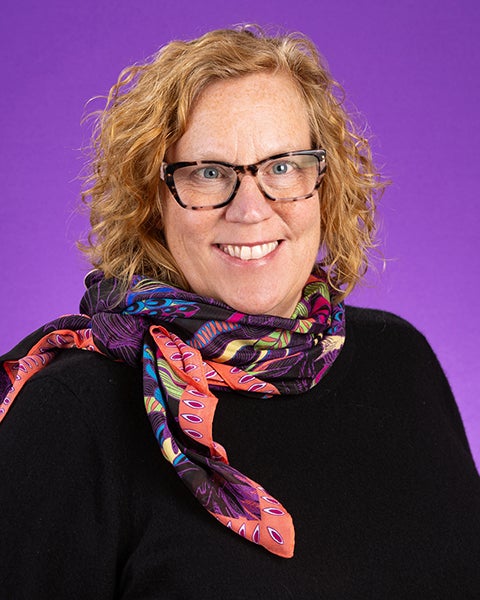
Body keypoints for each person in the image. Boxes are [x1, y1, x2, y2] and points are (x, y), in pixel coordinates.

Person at [1, 25, 479, 599]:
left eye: (282, 166)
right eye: (208, 173)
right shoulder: (71, 413)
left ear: (324, 182)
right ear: (154, 200)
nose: (251, 209)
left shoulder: (399, 359)